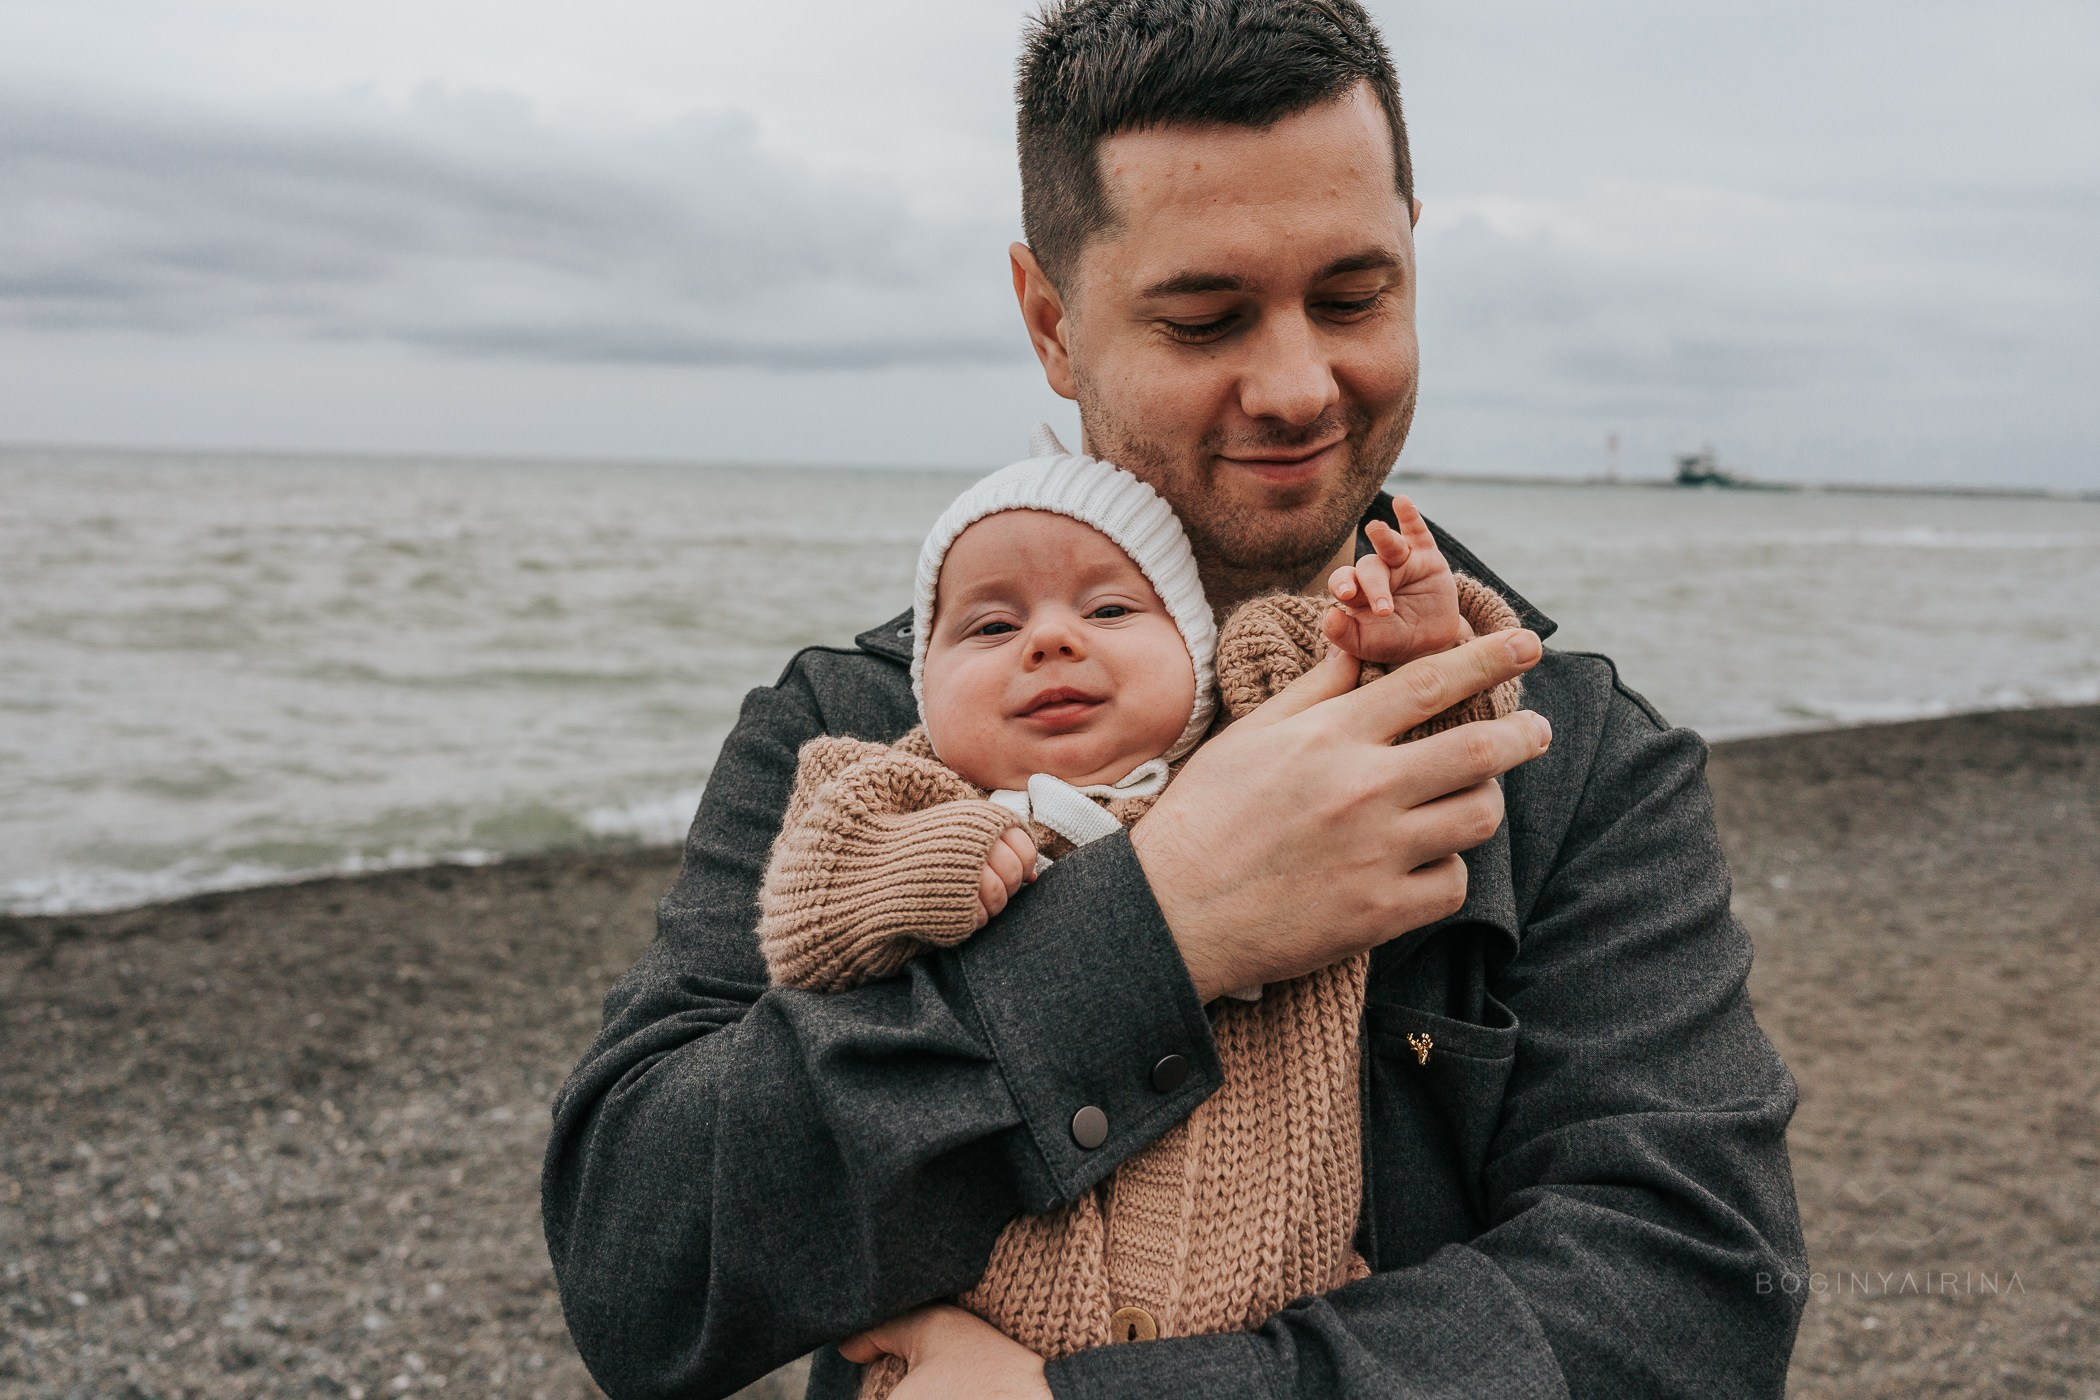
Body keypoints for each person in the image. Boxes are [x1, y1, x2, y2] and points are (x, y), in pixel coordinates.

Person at [542, 2, 1808, 1397]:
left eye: (1353, 296)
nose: (1296, 383)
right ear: (1050, 322)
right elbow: (640, 1265)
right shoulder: (848, 728)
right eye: (1205, 317)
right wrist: (1164, 919)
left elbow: (1696, 1296)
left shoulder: (1564, 755)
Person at [753, 445, 1525, 1400]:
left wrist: (1408, 643)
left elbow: (1426, 750)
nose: (1050, 641)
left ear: (1196, 648)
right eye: (990, 625)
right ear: (922, 683)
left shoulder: (1274, 736)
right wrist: (932, 865)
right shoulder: (903, 790)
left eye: (1112, 609)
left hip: (1273, 1335)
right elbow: (805, 916)